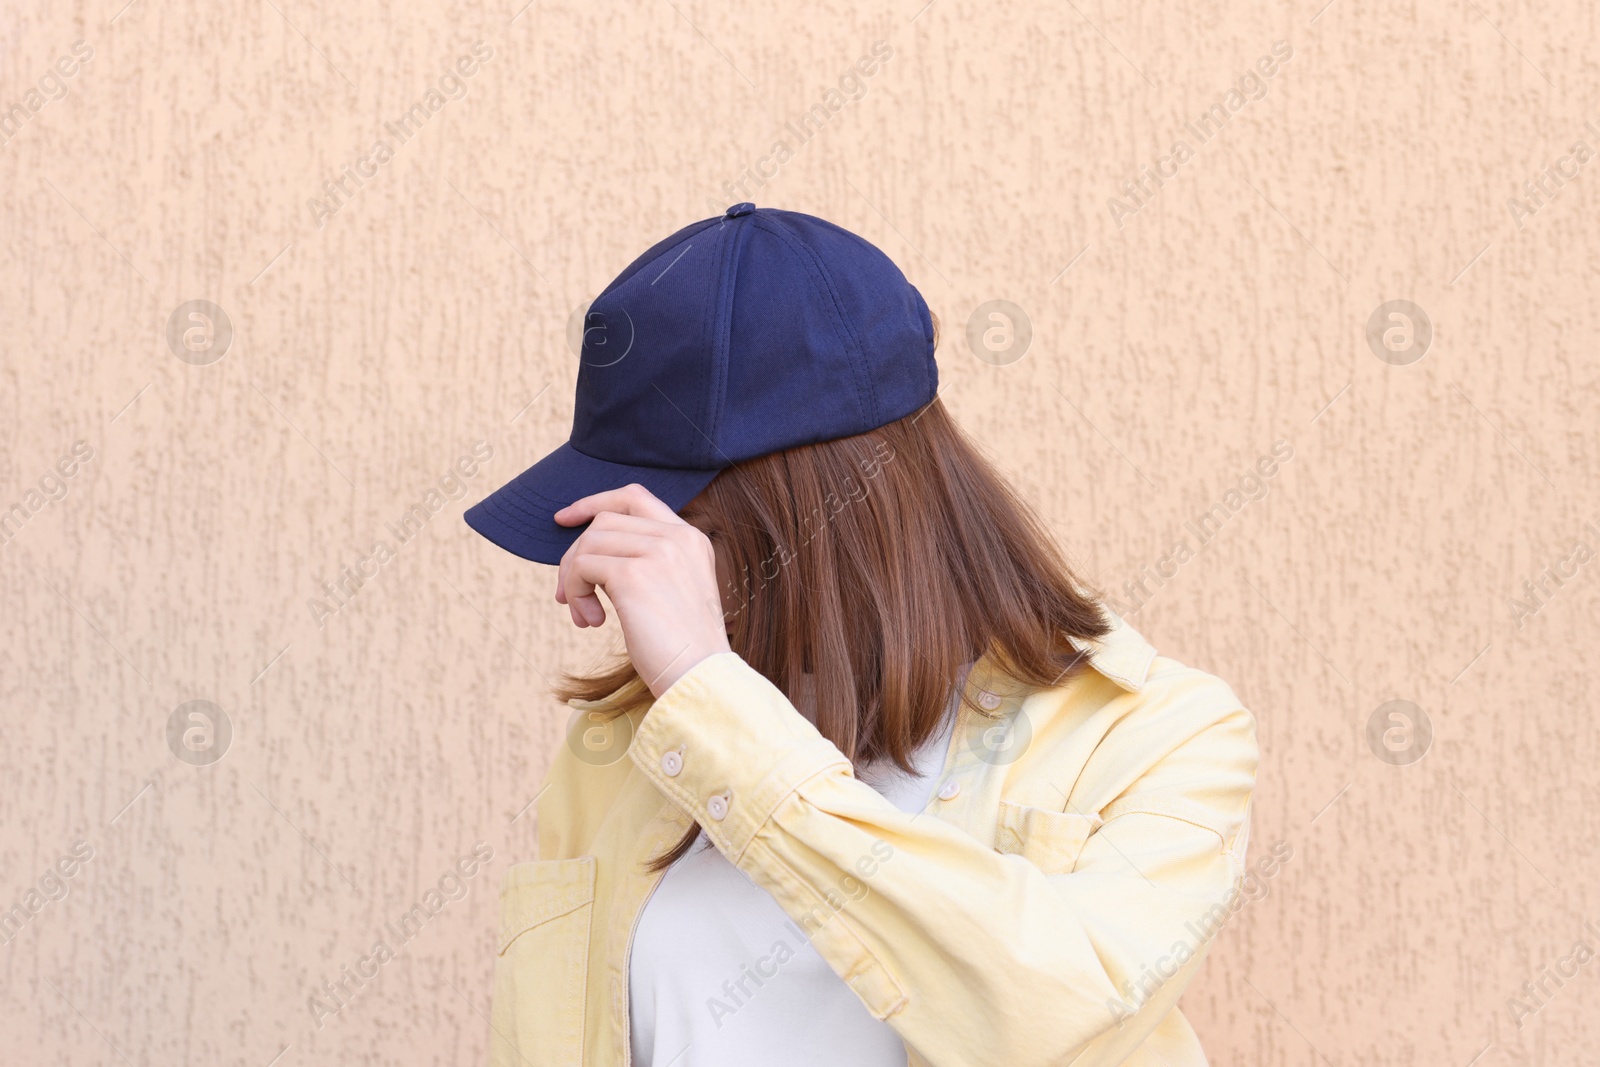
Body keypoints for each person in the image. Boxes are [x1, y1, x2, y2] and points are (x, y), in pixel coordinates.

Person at [464, 202, 1259, 1067]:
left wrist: (714, 699)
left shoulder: (1163, 735)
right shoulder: (620, 742)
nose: (637, 590)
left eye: (680, 538)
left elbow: (1054, 1016)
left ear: (807, 526)